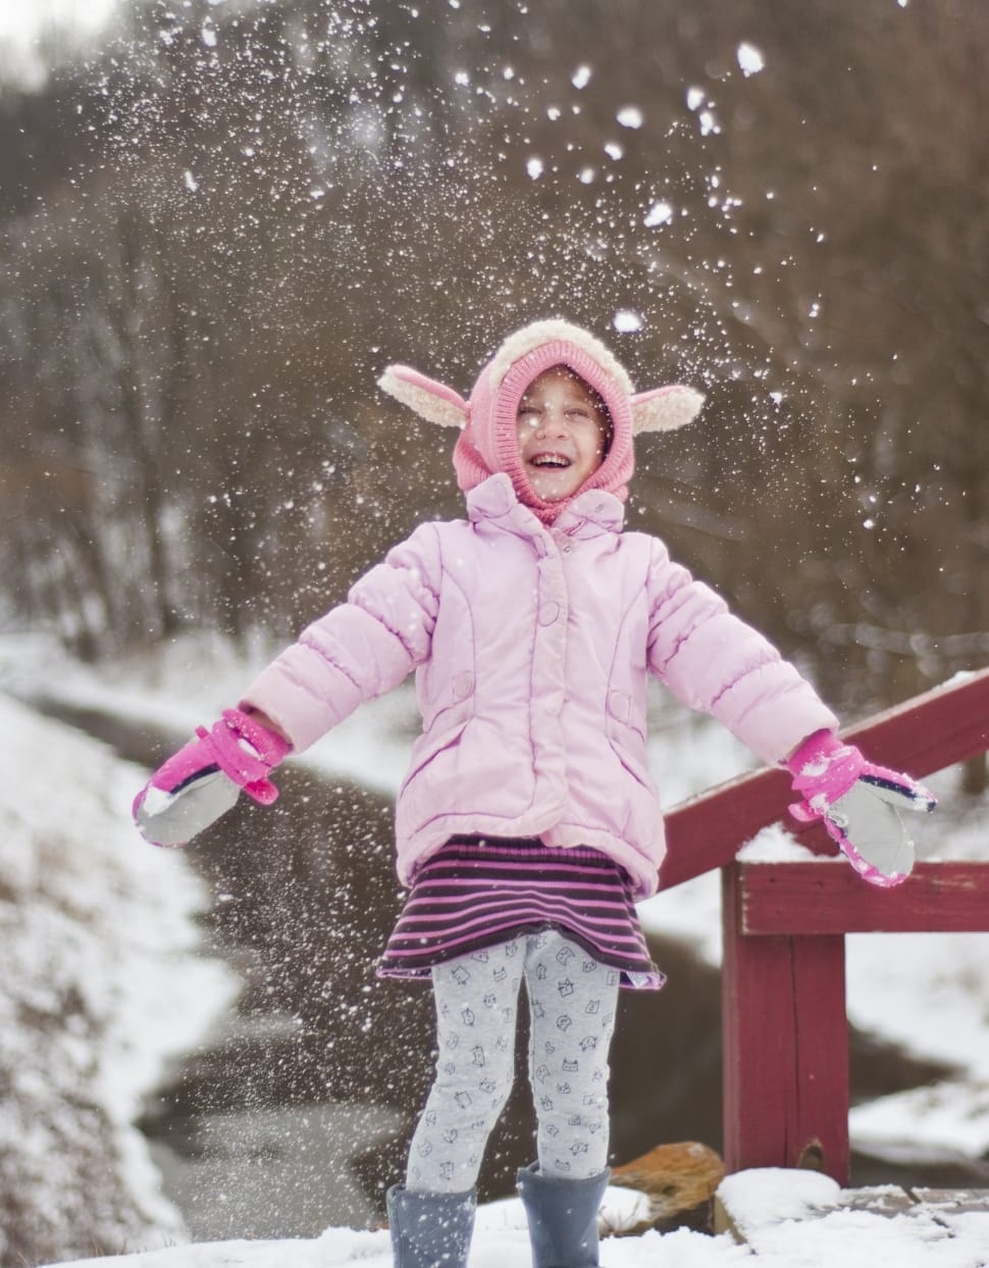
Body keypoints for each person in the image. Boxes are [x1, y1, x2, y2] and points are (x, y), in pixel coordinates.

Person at [134, 319, 934, 1268]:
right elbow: (342, 653)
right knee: (471, 1080)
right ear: (486, 427)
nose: (551, 429)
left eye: (577, 413)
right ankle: (431, 1258)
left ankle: (567, 1257)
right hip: (471, 855)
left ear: (613, 438)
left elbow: (732, 665)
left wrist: (818, 755)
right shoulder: (441, 558)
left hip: (590, 860)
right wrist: (248, 738)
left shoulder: (641, 573)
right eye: (528, 410)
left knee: (575, 1085)